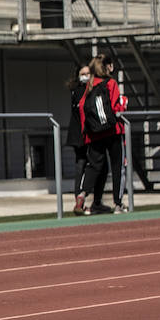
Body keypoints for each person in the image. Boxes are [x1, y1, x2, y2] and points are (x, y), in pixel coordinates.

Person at [77, 54, 128, 215]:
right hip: (113, 131)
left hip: (94, 134)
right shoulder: (111, 83)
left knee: (94, 166)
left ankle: (82, 194)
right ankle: (118, 204)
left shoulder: (90, 85)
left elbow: (82, 109)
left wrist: (86, 133)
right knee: (118, 166)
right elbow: (116, 107)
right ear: (107, 67)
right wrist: (124, 102)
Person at [67, 64, 92, 215]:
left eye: (88, 73)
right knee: (83, 165)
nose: (86, 76)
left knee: (84, 165)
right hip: (82, 134)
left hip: (82, 133)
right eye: (83, 74)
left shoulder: (80, 90)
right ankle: (81, 198)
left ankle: (83, 198)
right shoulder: (79, 91)